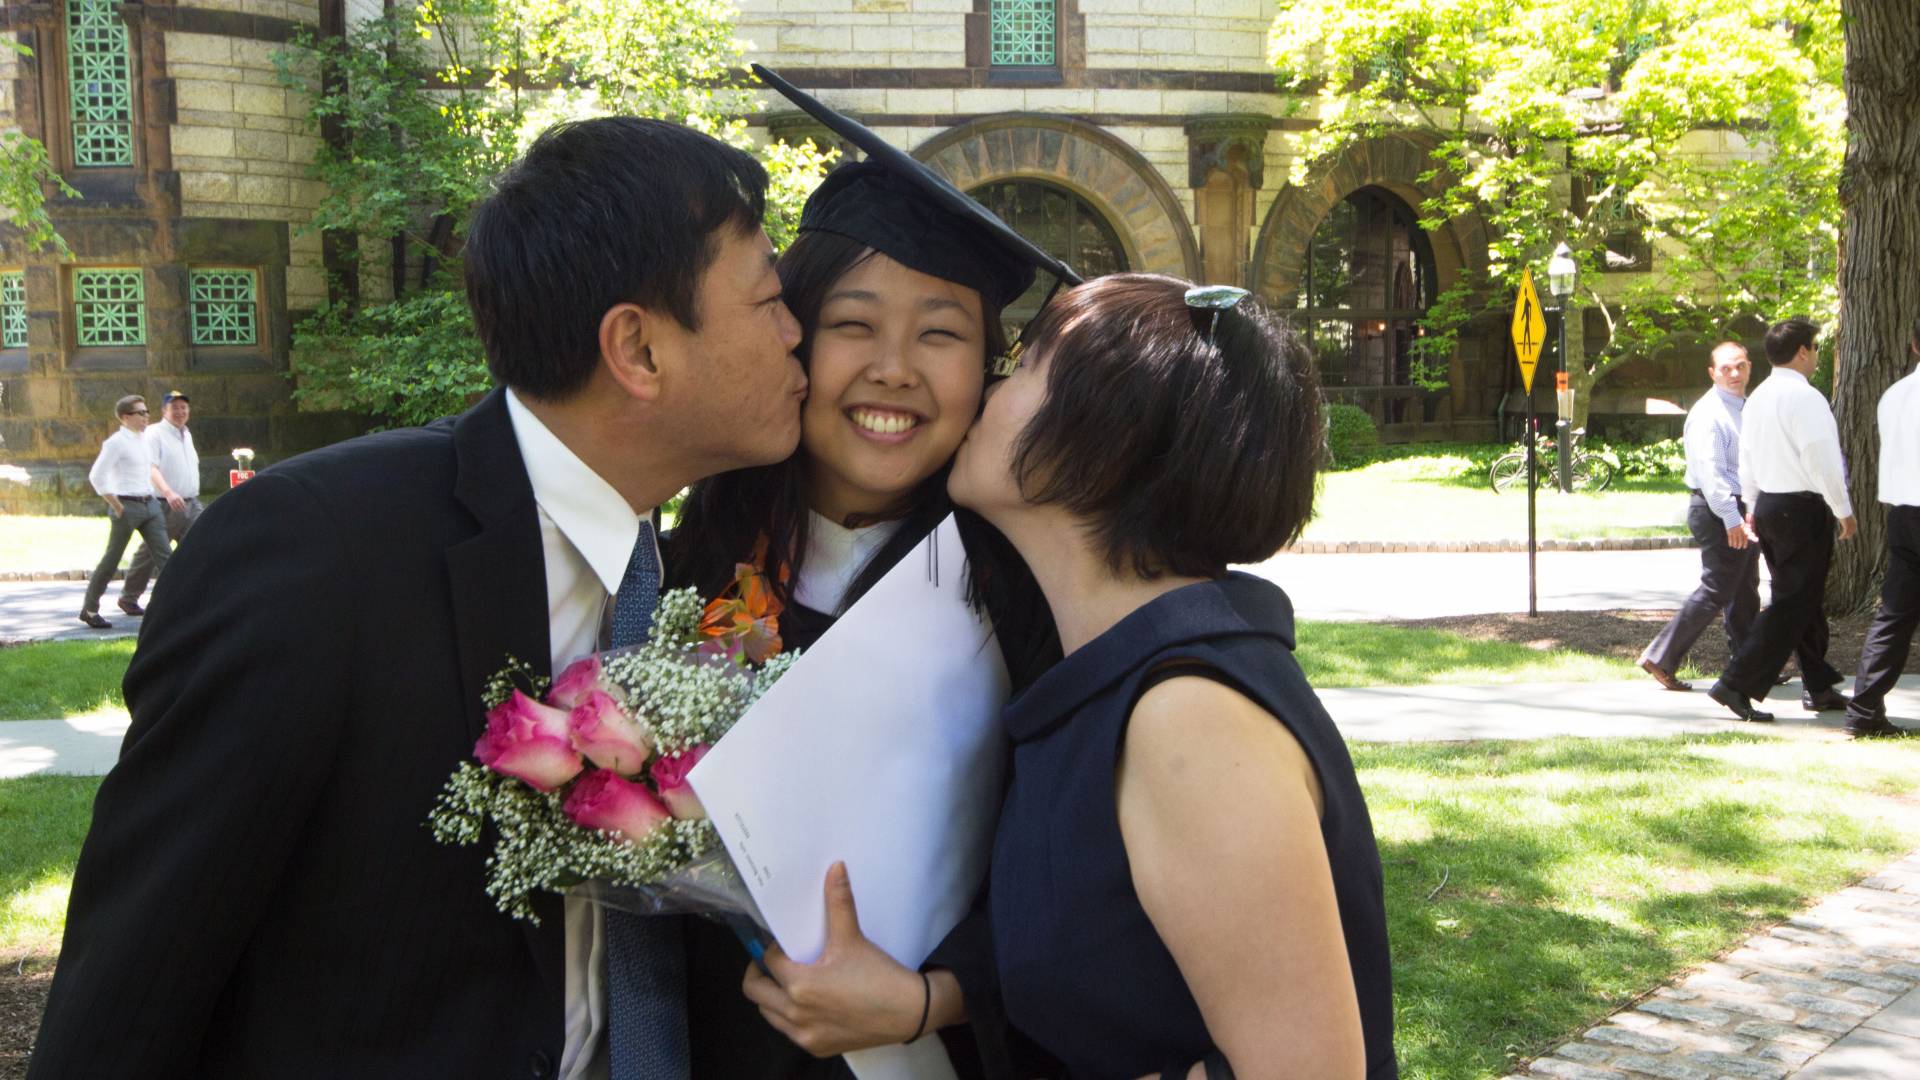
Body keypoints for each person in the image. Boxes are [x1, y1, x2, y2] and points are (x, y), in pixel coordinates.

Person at [30, 117, 807, 1080]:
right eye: (770, 301)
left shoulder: (681, 574)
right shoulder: (318, 553)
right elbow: (133, 979)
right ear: (637, 351)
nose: (794, 332)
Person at [667, 72, 1066, 1079]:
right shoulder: (697, 557)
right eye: (853, 323)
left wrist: (943, 993)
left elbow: (1088, 876)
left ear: (988, 370)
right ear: (793, 337)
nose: (893, 368)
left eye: (940, 333)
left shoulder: (1024, 595)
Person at [948, 273, 1397, 1079]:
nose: (989, 386)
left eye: (1023, 366)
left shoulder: (1187, 716)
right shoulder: (1118, 679)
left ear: (1096, 440)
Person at [1707, 317, 1856, 723]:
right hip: (1800, 508)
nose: (1816, 356)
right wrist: (1842, 509)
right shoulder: (1806, 399)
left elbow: (1747, 458)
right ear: (1804, 352)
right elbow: (1821, 458)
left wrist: (1753, 504)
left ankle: (1818, 684)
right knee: (1794, 602)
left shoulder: (1757, 398)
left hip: (1771, 505)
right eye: (1815, 349)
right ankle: (1735, 683)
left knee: (1802, 598)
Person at [1640, 342, 1761, 690]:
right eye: (1726, 368)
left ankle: (1748, 663)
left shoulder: (1744, 407)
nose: (1734, 374)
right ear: (1712, 373)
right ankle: (1660, 657)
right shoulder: (1710, 414)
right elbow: (1711, 474)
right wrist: (1731, 518)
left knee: (1745, 588)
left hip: (1741, 507)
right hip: (1718, 509)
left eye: (1740, 366)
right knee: (1717, 588)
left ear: (1749, 367)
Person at [1843, 316, 1920, 738]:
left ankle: (1864, 709)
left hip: (1903, 514)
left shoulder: (1893, 395)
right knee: (1895, 615)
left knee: (1895, 616)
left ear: (1913, 346)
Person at [77, 395, 169, 630]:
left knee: (166, 559)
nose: (146, 416)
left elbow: (147, 470)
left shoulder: (144, 440)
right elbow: (97, 475)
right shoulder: (116, 443)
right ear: (126, 417)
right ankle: (89, 610)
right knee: (112, 560)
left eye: (147, 412)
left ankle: (176, 607)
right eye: (141, 413)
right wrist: (116, 503)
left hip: (150, 505)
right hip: (127, 506)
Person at [117, 389, 201, 616]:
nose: (180, 411)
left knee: (200, 544)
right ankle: (129, 597)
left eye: (183, 407)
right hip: (165, 503)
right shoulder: (154, 434)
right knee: (151, 553)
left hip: (191, 503)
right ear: (164, 410)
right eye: (174, 407)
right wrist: (169, 491)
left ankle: (192, 595)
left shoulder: (186, 433)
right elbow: (150, 467)